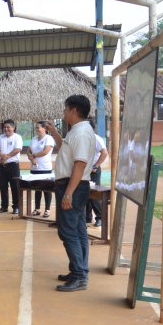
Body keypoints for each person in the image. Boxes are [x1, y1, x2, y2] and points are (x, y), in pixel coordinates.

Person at [46, 95, 97, 292]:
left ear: (74, 110)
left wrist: (68, 193)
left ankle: (79, 275)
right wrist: (54, 132)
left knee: (68, 231)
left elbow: (80, 163)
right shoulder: (76, 131)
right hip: (72, 185)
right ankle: (79, 269)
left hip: (72, 185)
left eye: (66, 109)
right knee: (78, 229)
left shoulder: (82, 133)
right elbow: (65, 149)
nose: (64, 112)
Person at [27, 121, 56, 218]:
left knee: (46, 189)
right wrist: (31, 158)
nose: (36, 129)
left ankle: (47, 210)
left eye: (38, 127)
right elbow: (28, 150)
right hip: (34, 168)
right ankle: (37, 209)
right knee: (37, 189)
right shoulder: (34, 139)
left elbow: (45, 151)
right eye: (36, 127)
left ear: (45, 129)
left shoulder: (49, 139)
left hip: (45, 168)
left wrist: (34, 156)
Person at [0, 119, 23, 214]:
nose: (6, 129)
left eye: (8, 127)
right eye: (4, 127)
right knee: (3, 187)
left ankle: (16, 207)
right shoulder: (0, 137)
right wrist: (2, 155)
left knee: (15, 187)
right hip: (1, 166)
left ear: (13, 128)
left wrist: (6, 156)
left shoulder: (17, 137)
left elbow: (17, 149)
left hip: (13, 166)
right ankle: (4, 206)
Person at [86, 119, 108, 228]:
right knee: (85, 193)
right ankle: (87, 217)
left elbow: (104, 153)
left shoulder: (97, 139)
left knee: (94, 194)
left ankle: (100, 218)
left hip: (93, 171)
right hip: (84, 170)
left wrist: (96, 165)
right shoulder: (83, 139)